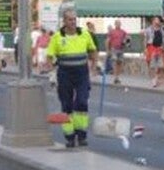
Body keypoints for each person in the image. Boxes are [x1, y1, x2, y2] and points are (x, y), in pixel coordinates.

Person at [45, 8, 98, 148]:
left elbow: (93, 51)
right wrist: (51, 74)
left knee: (81, 102)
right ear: (64, 21)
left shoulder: (84, 34)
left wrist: (94, 66)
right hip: (64, 73)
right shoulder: (57, 37)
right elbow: (49, 56)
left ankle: (81, 135)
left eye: (75, 19)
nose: (73, 22)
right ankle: (69, 137)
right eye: (70, 19)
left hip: (82, 73)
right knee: (66, 105)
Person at [107, 19, 129, 85]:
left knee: (120, 63)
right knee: (115, 62)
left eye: (119, 23)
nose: (118, 24)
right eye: (117, 23)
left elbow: (128, 38)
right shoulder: (112, 32)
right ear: (115, 24)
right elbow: (108, 41)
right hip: (114, 49)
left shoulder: (123, 32)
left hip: (121, 49)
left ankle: (117, 77)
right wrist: (108, 50)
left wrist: (126, 42)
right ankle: (115, 77)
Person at [145, 16, 164, 87]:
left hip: (159, 48)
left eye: (158, 20)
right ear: (153, 21)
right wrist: (145, 49)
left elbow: (163, 40)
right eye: (156, 20)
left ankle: (156, 78)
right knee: (151, 65)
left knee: (160, 65)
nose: (158, 21)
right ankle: (154, 79)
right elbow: (145, 39)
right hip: (151, 47)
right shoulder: (148, 29)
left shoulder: (161, 30)